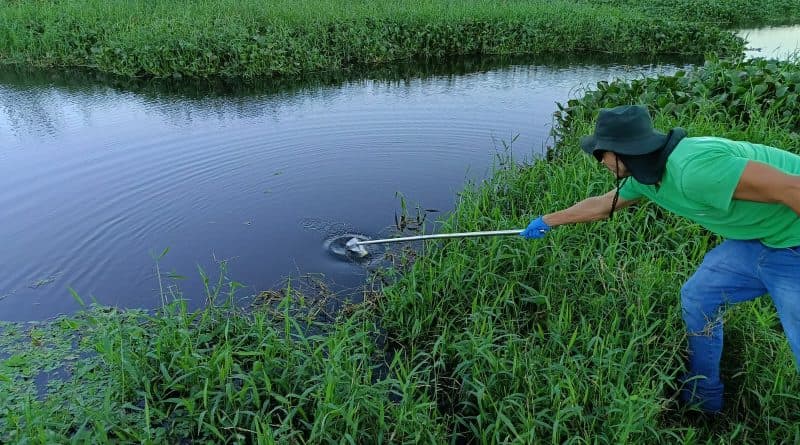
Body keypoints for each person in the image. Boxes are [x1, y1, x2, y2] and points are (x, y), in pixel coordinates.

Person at [519, 104, 800, 413]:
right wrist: (547, 220)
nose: (599, 162)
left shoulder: (694, 170)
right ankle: (702, 399)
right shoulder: (646, 175)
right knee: (699, 297)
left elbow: (793, 188)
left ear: (621, 151)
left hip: (795, 244)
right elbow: (603, 205)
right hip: (761, 239)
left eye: (600, 154)